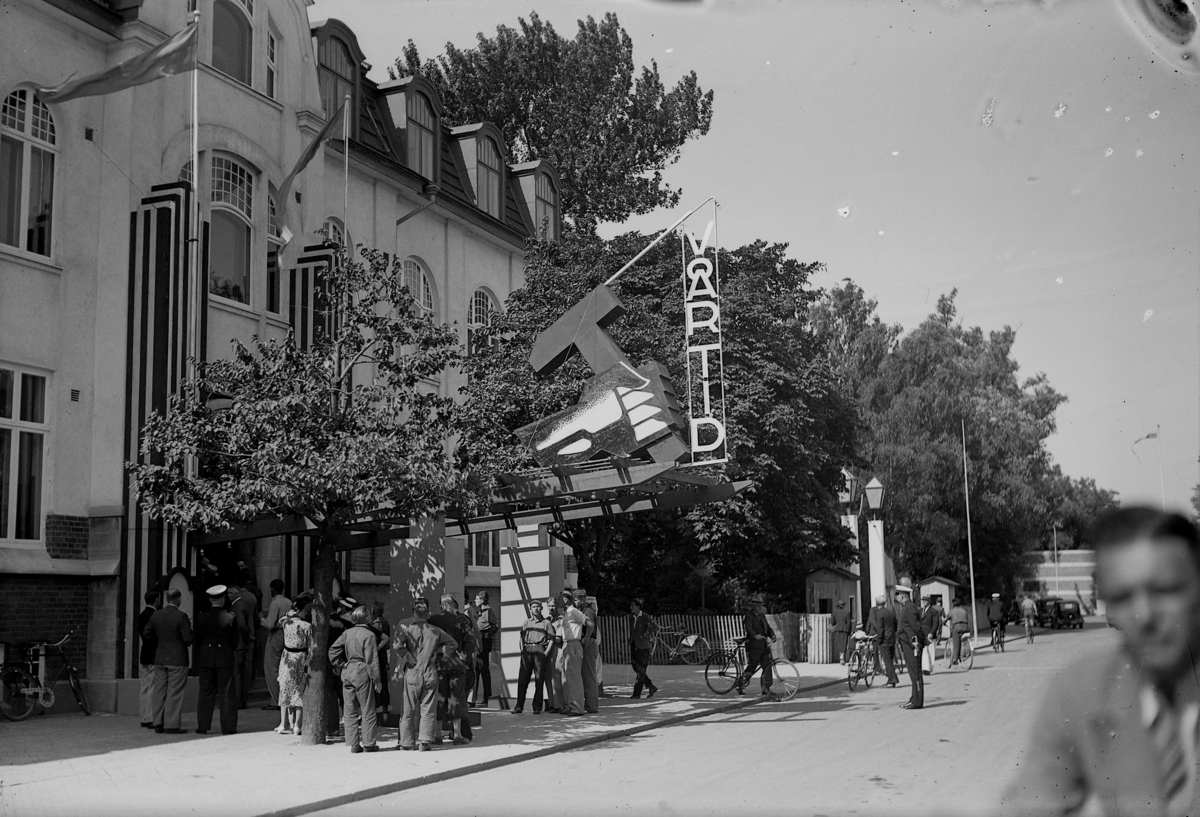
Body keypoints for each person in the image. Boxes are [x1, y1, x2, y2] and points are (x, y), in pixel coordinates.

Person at [1006, 508, 1200, 815]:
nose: (1145, 615)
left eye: (1164, 590)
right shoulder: (1079, 691)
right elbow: (1034, 802)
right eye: (1122, 597)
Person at [395, 597, 458, 751]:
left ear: (414, 613)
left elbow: (397, 645)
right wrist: (440, 651)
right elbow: (453, 643)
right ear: (428, 613)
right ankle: (424, 741)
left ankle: (407, 741)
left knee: (408, 708)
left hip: (412, 670)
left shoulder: (407, 629)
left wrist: (406, 654)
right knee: (428, 708)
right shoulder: (435, 630)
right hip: (430, 670)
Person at [328, 604, 381, 754]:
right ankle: (369, 743)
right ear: (366, 617)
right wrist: (377, 679)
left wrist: (341, 664)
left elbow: (333, 651)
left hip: (348, 670)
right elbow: (371, 660)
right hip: (362, 670)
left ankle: (353, 743)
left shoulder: (347, 633)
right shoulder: (369, 635)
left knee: (349, 709)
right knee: (367, 708)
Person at [194, 584, 245, 736]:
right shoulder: (230, 617)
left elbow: (197, 640)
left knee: (205, 693)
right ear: (223, 598)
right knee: (227, 693)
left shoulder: (201, 617)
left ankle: (203, 726)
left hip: (206, 657)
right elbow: (235, 640)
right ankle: (228, 727)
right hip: (224, 657)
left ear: (210, 599)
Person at [142, 588, 193, 734]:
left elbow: (146, 633)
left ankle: (158, 722)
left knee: (159, 690)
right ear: (179, 599)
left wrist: (160, 641)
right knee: (174, 692)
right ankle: (171, 724)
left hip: (160, 658)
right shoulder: (181, 616)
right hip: (177, 659)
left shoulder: (156, 615)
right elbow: (188, 639)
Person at [427, 595, 474, 744]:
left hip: (439, 663)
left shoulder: (433, 620)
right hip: (456, 663)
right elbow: (470, 640)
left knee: (440, 698)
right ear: (454, 605)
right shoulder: (462, 620)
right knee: (456, 698)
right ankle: (457, 734)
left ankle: (437, 734)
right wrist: (465, 658)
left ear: (441, 606)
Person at [277, 595, 313, 736]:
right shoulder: (307, 626)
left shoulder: (286, 623)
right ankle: (297, 725)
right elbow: (310, 646)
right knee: (299, 690)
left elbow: (281, 620)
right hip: (301, 657)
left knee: (284, 689)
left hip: (287, 658)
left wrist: (289, 614)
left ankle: (283, 723)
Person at [513, 599, 555, 714]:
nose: (536, 609)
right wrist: (522, 650)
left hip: (540, 649)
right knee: (523, 679)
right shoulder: (526, 622)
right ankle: (519, 706)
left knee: (539, 679)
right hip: (527, 650)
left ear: (541, 608)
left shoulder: (546, 623)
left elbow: (551, 639)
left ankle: (537, 707)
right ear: (530, 609)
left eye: (538, 606)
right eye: (533, 607)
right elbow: (521, 636)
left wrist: (546, 653)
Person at [737, 596, 777, 699]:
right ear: (753, 606)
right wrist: (755, 635)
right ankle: (741, 683)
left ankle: (766, 688)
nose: (760, 607)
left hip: (763, 645)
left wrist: (772, 635)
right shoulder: (748, 615)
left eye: (761, 605)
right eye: (758, 606)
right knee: (752, 667)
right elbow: (748, 628)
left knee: (767, 666)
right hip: (753, 646)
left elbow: (767, 628)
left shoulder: (762, 615)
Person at [260, 579, 290, 711]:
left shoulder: (275, 602)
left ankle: (275, 700)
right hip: (287, 634)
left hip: (276, 634)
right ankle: (284, 697)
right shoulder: (288, 602)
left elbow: (270, 624)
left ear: (273, 589)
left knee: (271, 667)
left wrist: (261, 619)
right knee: (283, 667)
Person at [894, 581, 925, 710]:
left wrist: (921, 640)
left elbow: (916, 627)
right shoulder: (906, 607)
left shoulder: (909, 608)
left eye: (897, 594)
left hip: (912, 644)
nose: (896, 597)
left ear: (902, 596)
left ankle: (917, 702)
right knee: (913, 673)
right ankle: (914, 698)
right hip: (907, 643)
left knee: (915, 673)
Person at [557, 591, 587, 716]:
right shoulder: (566, 613)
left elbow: (589, 623)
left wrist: (586, 639)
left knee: (574, 678)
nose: (558, 602)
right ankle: (570, 705)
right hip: (567, 644)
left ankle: (577, 708)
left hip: (573, 644)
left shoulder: (573, 611)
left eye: (559, 599)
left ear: (565, 600)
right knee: (568, 678)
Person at [227, 578, 255, 709]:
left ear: (237, 593)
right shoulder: (240, 604)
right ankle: (241, 700)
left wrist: (247, 638)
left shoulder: (238, 605)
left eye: (231, 593)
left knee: (237, 674)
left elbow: (241, 625)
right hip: (242, 643)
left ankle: (238, 701)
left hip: (239, 643)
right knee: (241, 673)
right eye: (228, 593)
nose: (228, 595)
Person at [136, 590, 161, 728]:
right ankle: (150, 717)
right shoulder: (155, 616)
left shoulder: (141, 616)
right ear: (156, 599)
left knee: (144, 686)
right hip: (154, 653)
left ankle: (143, 716)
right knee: (152, 686)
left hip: (144, 652)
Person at [573, 589, 600, 713]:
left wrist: (586, 639)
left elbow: (591, 626)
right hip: (589, 643)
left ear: (583, 599)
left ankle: (592, 705)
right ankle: (590, 704)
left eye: (576, 600)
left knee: (589, 676)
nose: (575, 602)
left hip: (589, 644)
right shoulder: (585, 610)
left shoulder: (588, 611)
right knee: (587, 675)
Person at [865, 594, 899, 687]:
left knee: (887, 660)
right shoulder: (891, 612)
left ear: (876, 604)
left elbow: (880, 629)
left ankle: (893, 679)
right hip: (892, 638)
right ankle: (891, 679)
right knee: (890, 660)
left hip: (884, 639)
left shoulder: (879, 614)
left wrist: (879, 640)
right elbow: (896, 626)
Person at [629, 598, 658, 699]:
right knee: (635, 667)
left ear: (638, 607)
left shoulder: (645, 616)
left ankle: (637, 693)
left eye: (633, 606)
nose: (631, 608)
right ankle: (650, 686)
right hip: (634, 644)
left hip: (643, 646)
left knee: (641, 669)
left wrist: (645, 634)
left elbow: (654, 626)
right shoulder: (632, 617)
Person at [472, 591, 496, 707]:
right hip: (477, 640)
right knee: (476, 670)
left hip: (483, 640)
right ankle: (473, 698)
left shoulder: (488, 612)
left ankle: (487, 697)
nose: (475, 601)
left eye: (477, 599)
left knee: (483, 669)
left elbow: (494, 626)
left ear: (482, 600)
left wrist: (485, 636)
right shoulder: (478, 612)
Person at [370, 601, 392, 715]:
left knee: (378, 679)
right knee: (383, 679)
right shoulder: (385, 623)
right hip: (382, 655)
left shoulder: (376, 625)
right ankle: (384, 706)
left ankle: (379, 705)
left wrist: (376, 648)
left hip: (378, 655)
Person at [545, 597, 563, 713]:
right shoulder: (546, 620)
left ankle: (559, 704)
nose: (551, 608)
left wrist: (549, 639)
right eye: (550, 606)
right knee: (548, 676)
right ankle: (551, 703)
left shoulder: (560, 620)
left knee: (557, 676)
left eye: (553, 606)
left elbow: (558, 638)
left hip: (557, 649)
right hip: (548, 649)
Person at [920, 595, 943, 675]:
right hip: (922, 634)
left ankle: (929, 668)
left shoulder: (933, 611)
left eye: (925, 600)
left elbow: (935, 623)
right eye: (923, 600)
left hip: (930, 634)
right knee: (924, 651)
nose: (923, 602)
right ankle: (925, 668)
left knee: (930, 652)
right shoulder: (920, 611)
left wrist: (931, 633)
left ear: (929, 602)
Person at [947, 597, 971, 666]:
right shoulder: (964, 610)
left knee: (956, 643)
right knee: (963, 640)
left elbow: (946, 618)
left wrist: (943, 623)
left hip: (957, 628)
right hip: (965, 627)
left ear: (952, 604)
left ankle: (955, 660)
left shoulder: (952, 611)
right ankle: (965, 653)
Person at [831, 599, 853, 664]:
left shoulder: (834, 612)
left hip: (837, 629)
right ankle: (842, 656)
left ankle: (841, 656)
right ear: (843, 605)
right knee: (844, 643)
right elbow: (849, 623)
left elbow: (832, 622)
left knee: (838, 643)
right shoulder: (847, 612)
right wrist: (849, 631)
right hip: (845, 629)